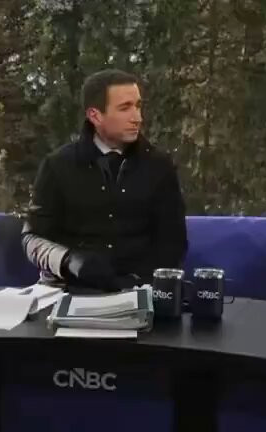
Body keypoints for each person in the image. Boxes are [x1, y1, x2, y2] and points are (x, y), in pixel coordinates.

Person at [22, 69, 188, 292]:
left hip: (137, 290)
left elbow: (173, 242)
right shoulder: (57, 165)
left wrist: (139, 282)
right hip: (66, 289)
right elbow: (32, 238)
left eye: (138, 106)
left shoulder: (160, 167)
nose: (137, 118)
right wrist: (68, 260)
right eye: (125, 108)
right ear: (95, 116)